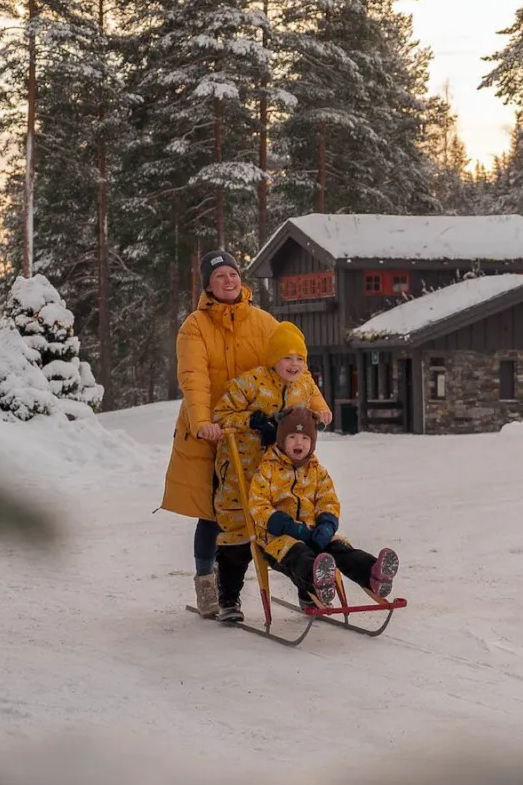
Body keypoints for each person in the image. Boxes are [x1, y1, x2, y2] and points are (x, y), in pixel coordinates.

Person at [158, 249, 328, 618]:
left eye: (233, 274)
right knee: (216, 511)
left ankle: (306, 582)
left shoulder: (264, 321)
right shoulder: (194, 326)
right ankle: (209, 584)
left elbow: (294, 365)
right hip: (215, 431)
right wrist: (205, 422)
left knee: (282, 505)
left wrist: (316, 407)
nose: (229, 281)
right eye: (220, 276)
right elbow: (195, 379)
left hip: (264, 436)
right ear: (208, 285)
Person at [210, 322, 332, 621]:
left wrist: (319, 417)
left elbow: (320, 407)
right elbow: (220, 415)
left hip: (284, 474)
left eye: (299, 359)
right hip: (243, 469)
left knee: (295, 528)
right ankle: (228, 598)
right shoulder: (249, 382)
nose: (294, 365)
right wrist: (253, 421)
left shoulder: (305, 383)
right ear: (273, 359)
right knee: (239, 534)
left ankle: (309, 589)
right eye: (287, 358)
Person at [247, 406, 399, 610]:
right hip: (277, 538)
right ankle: (317, 579)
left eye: (305, 438)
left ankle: (373, 573)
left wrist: (326, 525)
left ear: (313, 443)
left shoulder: (317, 472)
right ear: (282, 439)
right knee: (298, 554)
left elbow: (328, 500)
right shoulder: (267, 469)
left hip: (314, 532)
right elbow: (258, 504)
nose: (298, 442)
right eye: (292, 436)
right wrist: (286, 526)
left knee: (341, 549)